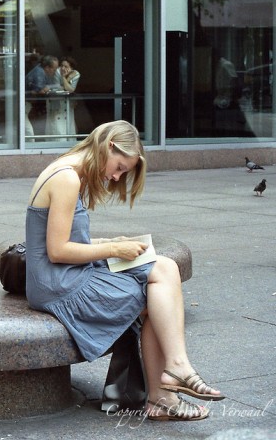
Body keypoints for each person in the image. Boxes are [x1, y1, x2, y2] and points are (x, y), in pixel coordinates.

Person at [25, 120, 224, 421]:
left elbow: (61, 238)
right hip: (59, 283)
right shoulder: (67, 178)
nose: (115, 176)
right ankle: (162, 395)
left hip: (65, 273)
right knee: (154, 300)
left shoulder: (67, 170)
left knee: (166, 268)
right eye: (119, 167)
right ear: (109, 147)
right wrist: (114, 250)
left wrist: (109, 241)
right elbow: (57, 250)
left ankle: (176, 367)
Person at [24, 55, 62, 140]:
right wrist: (51, 87)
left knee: (21, 128)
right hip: (23, 104)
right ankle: (30, 149)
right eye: (54, 69)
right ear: (47, 67)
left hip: (25, 104)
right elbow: (40, 90)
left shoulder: (39, 70)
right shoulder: (39, 73)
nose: (55, 72)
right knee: (28, 131)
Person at [45, 56, 80, 141]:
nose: (63, 68)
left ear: (71, 68)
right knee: (57, 127)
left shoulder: (76, 74)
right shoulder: (57, 71)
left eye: (66, 66)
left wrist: (64, 78)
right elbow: (58, 88)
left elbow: (71, 89)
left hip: (68, 105)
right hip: (56, 102)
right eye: (62, 66)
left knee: (68, 127)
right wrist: (65, 83)